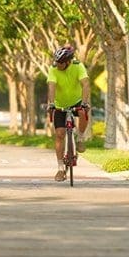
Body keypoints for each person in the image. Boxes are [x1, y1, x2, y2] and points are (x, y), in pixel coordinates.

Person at [45, 45, 91, 182]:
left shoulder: (78, 66)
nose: (57, 65)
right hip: (60, 105)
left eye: (60, 63)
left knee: (83, 112)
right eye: (56, 62)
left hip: (77, 101)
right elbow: (51, 86)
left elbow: (86, 84)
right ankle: (60, 169)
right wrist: (51, 104)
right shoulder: (53, 69)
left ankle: (81, 138)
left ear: (68, 62)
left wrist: (84, 102)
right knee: (59, 134)